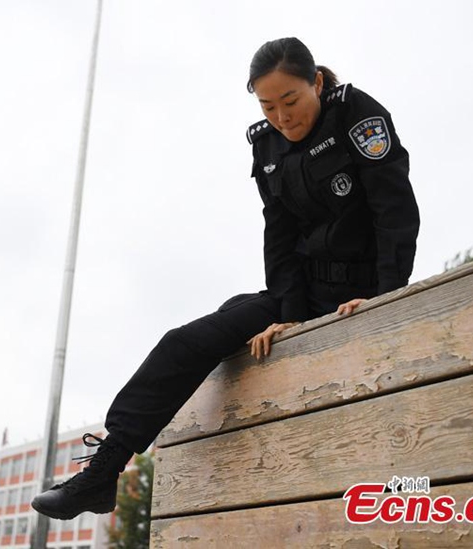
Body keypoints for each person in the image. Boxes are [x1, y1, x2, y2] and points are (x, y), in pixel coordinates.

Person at [31, 36, 420, 521]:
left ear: (316, 82)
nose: (282, 116)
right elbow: (279, 240)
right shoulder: (267, 145)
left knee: (230, 317)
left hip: (362, 291)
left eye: (292, 101)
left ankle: (106, 472)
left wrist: (385, 300)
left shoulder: (357, 116)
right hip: (302, 293)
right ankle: (104, 473)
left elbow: (395, 211)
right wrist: (291, 316)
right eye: (268, 106)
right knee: (189, 340)